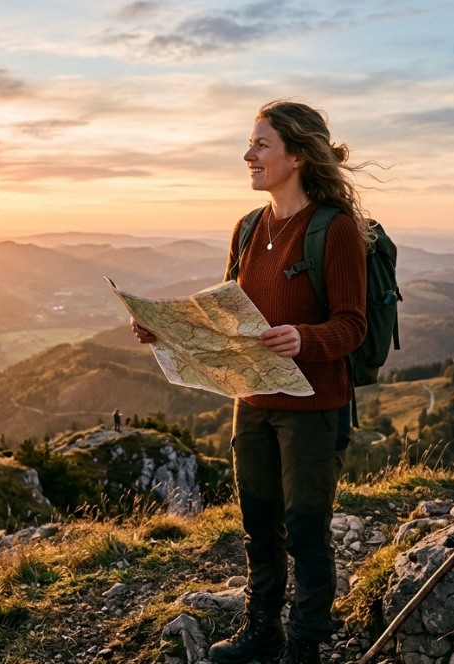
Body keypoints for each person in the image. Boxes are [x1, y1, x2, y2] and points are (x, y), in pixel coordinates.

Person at [132, 100, 372, 664]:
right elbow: (225, 318)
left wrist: (304, 340)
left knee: (306, 529)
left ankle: (306, 646)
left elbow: (353, 325)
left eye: (261, 145)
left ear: (296, 154)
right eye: (251, 144)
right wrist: (166, 332)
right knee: (259, 526)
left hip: (313, 405)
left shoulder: (333, 231)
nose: (249, 155)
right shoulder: (247, 228)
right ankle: (262, 629)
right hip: (252, 401)